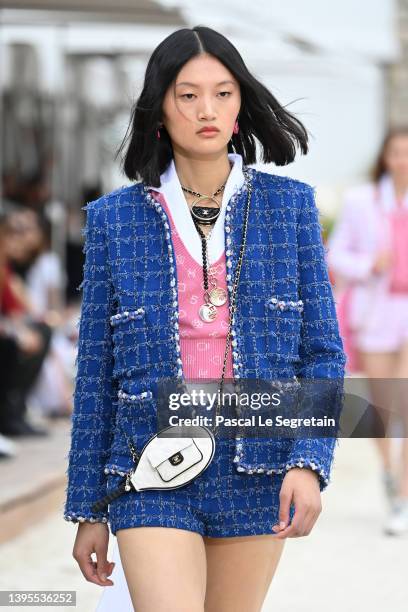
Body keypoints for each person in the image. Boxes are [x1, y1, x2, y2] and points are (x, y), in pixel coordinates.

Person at [64, 26, 346, 612]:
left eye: (222, 93)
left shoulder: (289, 208)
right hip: (148, 463)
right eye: (187, 95)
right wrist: (87, 506)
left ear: (241, 104)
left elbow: (323, 351)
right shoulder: (113, 220)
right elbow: (94, 373)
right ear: (159, 110)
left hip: (259, 463)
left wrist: (309, 461)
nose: (207, 110)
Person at [327, 126, 408, 536]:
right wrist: (368, 265)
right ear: (386, 157)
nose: (403, 161)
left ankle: (403, 490)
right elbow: (337, 253)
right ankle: (392, 475)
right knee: (384, 405)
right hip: (375, 312)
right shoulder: (362, 202)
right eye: (397, 152)